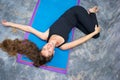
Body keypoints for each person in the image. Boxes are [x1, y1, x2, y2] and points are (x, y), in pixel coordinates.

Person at [0, 6, 100, 67]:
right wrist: (93, 33)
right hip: (76, 22)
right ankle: (90, 15)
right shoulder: (63, 46)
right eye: (49, 51)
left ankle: (91, 12)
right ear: (54, 52)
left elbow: (28, 28)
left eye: (45, 49)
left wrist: (9, 23)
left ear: (43, 46)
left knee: (96, 34)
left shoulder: (45, 36)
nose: (48, 47)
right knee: (94, 35)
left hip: (75, 11)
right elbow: (80, 41)